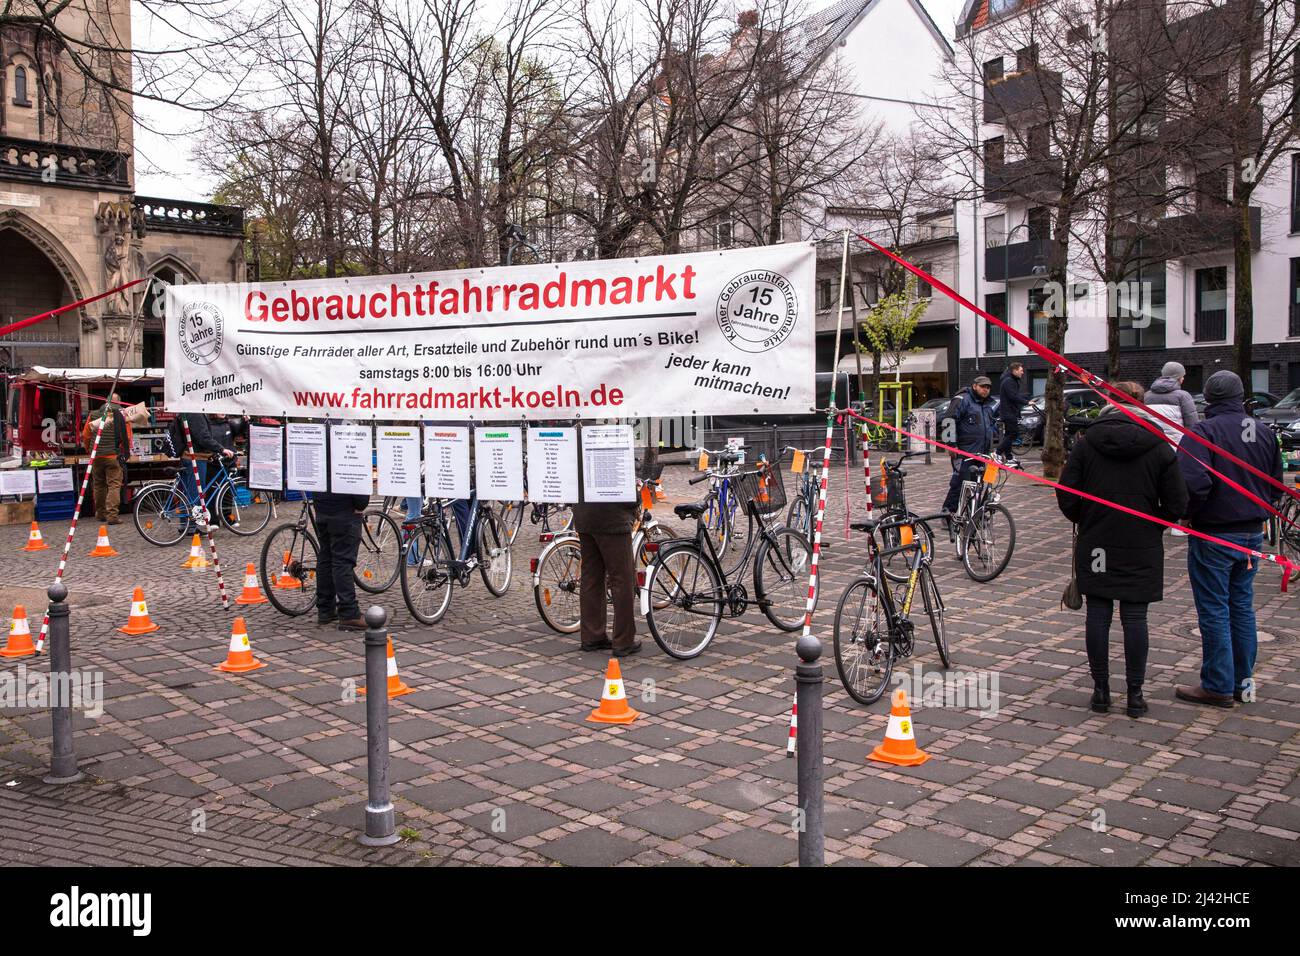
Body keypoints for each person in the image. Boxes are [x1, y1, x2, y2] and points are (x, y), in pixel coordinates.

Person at [1056, 381, 1188, 717]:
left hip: (1097, 539)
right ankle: (1135, 694)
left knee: (1098, 614)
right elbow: (1177, 501)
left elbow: (1066, 492)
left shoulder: (1087, 444)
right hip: (1140, 542)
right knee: (1135, 616)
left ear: (1108, 402)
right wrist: (1155, 521)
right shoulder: (1160, 445)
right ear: (1142, 404)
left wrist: (1085, 518)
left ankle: (1101, 691)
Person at [1175, 370, 1285, 708]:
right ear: (1240, 397)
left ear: (1209, 399)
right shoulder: (1264, 432)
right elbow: (1276, 481)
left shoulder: (1203, 432)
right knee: (1241, 607)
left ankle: (1218, 685)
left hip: (1215, 533)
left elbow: (1192, 481)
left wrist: (1191, 513)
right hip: (1251, 533)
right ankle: (1242, 682)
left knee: (1215, 609)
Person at [572, 499, 640, 656]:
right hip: (613, 517)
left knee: (591, 577)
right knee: (622, 579)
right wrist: (635, 501)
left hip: (584, 515)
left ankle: (592, 635)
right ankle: (624, 640)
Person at [940, 374, 998, 518]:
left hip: (983, 451)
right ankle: (949, 511)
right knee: (961, 481)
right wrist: (951, 445)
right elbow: (949, 420)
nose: (986, 390)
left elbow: (990, 426)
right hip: (964, 451)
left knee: (978, 483)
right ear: (974, 386)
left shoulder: (987, 405)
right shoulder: (963, 400)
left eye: (988, 387)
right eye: (983, 386)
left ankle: (973, 512)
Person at [313, 489, 371, 630]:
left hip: (322, 505)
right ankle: (349, 613)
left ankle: (325, 609)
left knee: (325, 557)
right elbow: (356, 478)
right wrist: (361, 503)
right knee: (343, 561)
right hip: (345, 509)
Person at [81, 392, 133, 524]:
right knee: (114, 485)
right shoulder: (121, 416)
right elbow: (127, 438)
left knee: (99, 485)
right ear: (119, 403)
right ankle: (112, 516)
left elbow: (86, 435)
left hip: (96, 455)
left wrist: (90, 450)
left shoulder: (93, 414)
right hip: (112, 455)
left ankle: (100, 514)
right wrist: (125, 453)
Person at [169, 411, 236, 508]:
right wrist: (221, 449)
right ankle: (192, 522)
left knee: (188, 496)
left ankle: (187, 522)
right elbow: (203, 438)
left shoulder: (190, 412)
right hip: (195, 458)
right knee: (195, 496)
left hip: (190, 456)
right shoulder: (195, 413)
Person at [1144, 361, 1199, 444]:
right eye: (1182, 376)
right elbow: (1192, 424)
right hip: (1178, 444)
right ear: (1178, 377)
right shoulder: (1183, 396)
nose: (1183, 378)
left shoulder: (1146, 395)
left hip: (1152, 443)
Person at [996, 361, 1029, 465]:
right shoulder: (1009, 381)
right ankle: (997, 452)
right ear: (1014, 371)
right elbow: (1012, 396)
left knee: (1008, 435)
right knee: (1013, 434)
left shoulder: (1011, 380)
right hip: (1008, 412)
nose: (1022, 373)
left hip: (1009, 412)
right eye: (1021, 370)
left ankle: (1009, 457)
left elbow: (1013, 395)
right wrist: (1027, 402)